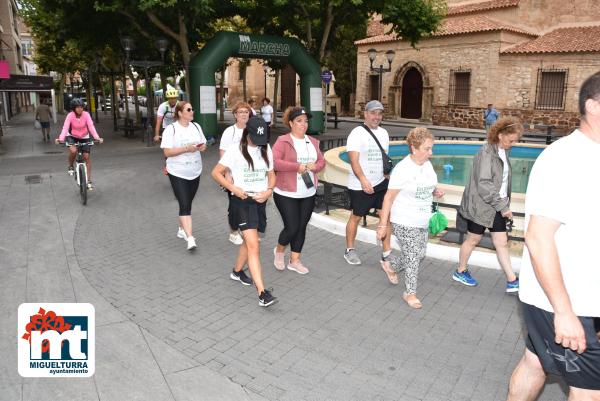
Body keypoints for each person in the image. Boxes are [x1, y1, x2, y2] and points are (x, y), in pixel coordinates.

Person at [506, 72, 600, 401]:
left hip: (583, 299)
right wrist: (564, 312)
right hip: (567, 302)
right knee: (590, 393)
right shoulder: (564, 158)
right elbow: (538, 238)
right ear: (593, 106)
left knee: (535, 363)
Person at [212, 117, 277, 307]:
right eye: (255, 140)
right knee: (254, 247)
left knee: (252, 241)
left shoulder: (266, 148)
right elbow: (215, 173)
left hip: (260, 201)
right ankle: (262, 293)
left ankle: (237, 271)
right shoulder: (235, 150)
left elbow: (271, 174)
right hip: (241, 202)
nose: (259, 144)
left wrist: (269, 191)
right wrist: (233, 189)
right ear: (246, 133)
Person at [376, 128, 444, 309]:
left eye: (431, 148)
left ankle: (391, 266)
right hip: (404, 220)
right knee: (413, 256)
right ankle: (410, 293)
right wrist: (383, 225)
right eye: (427, 148)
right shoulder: (403, 169)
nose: (431, 153)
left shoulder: (427, 165)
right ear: (414, 148)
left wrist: (435, 191)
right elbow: (388, 198)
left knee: (419, 255)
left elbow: (427, 186)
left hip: (423, 219)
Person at [453, 116, 522, 292]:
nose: (513, 144)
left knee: (501, 242)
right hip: (482, 206)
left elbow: (502, 181)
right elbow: (484, 184)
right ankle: (460, 270)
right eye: (511, 140)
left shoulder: (503, 151)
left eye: (515, 141)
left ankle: (512, 280)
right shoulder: (485, 153)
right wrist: (503, 207)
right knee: (473, 239)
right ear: (500, 135)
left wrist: (503, 204)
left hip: (497, 205)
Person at [272, 107, 325, 274]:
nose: (304, 124)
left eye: (306, 121)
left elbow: (322, 161)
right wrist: (297, 167)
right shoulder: (283, 141)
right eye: (299, 121)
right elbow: (274, 162)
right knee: (292, 227)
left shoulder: (313, 142)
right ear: (291, 123)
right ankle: (279, 251)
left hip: (308, 192)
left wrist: (315, 166)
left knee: (301, 227)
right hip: (286, 192)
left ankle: (294, 260)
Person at [344, 100, 392, 266]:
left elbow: (383, 159)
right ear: (365, 114)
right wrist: (364, 180)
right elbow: (354, 161)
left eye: (379, 113)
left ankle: (387, 253)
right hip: (360, 184)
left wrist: (387, 177)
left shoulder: (384, 133)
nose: (376, 117)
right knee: (356, 216)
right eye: (373, 113)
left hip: (380, 183)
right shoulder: (357, 133)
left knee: (385, 217)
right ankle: (350, 250)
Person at [160, 101, 207, 251]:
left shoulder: (196, 127)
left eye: (192, 109)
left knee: (187, 202)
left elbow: (204, 145)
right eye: (189, 109)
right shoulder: (171, 129)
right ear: (180, 113)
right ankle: (190, 238)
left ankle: (182, 229)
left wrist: (200, 147)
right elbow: (167, 152)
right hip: (177, 172)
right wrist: (186, 148)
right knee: (185, 204)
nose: (192, 111)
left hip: (195, 170)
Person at [219, 102, 252, 246]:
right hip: (233, 174)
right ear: (235, 115)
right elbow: (223, 153)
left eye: (246, 112)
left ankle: (246, 229)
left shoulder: (252, 130)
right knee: (235, 204)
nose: (244, 114)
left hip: (250, 174)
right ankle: (233, 231)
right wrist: (227, 174)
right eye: (241, 112)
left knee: (249, 202)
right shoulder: (229, 132)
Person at [56, 98, 103, 190]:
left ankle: (88, 181)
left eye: (81, 107)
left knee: (86, 157)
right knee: (73, 151)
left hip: (84, 136)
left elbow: (91, 126)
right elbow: (65, 127)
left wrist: (97, 138)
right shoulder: (70, 115)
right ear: (73, 108)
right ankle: (70, 166)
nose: (80, 109)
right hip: (72, 136)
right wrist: (60, 139)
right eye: (77, 107)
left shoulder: (86, 115)